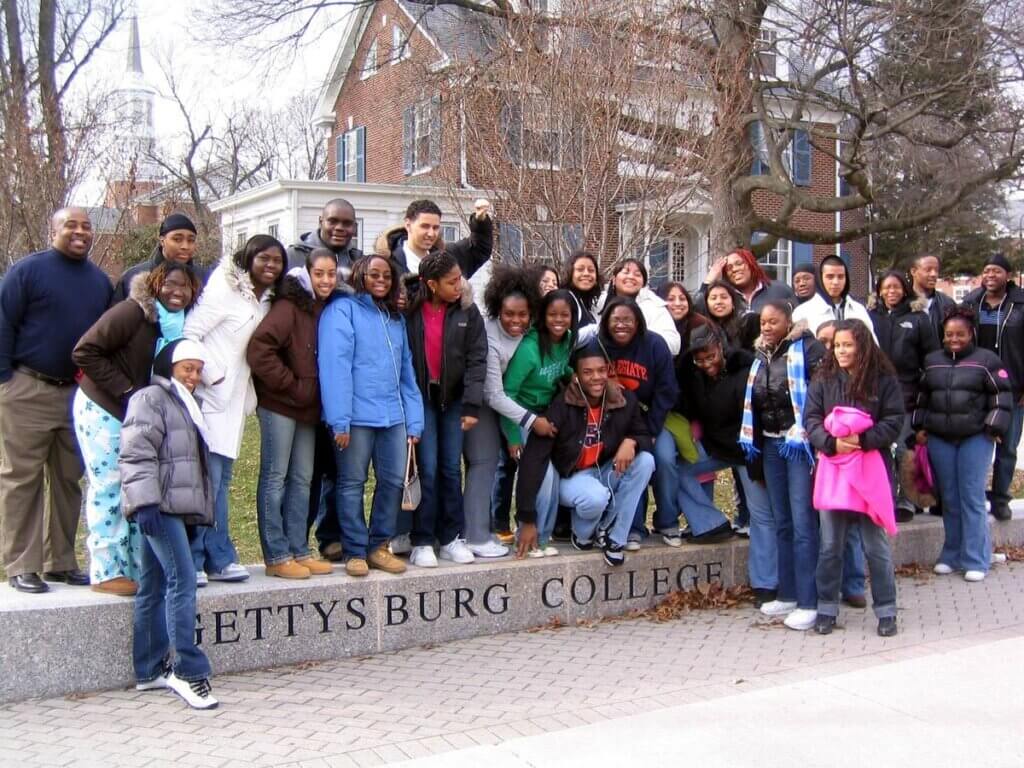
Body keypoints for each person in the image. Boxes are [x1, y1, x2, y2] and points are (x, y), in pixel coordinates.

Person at [0, 207, 112, 594]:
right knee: (21, 479)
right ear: (53, 230)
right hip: (27, 387)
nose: (80, 232)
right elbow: (3, 323)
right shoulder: (27, 272)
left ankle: (59, 562)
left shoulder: (99, 282)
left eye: (86, 226)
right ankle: (21, 564)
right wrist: (5, 381)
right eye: (71, 225)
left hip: (78, 394)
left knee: (69, 479)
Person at [72, 262, 201, 596]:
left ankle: (130, 568)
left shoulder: (172, 326)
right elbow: (84, 351)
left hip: (134, 414)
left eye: (184, 287)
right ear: (156, 284)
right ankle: (105, 571)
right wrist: (126, 390)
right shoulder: (132, 313)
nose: (177, 292)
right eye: (170, 284)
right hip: (103, 406)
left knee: (132, 489)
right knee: (109, 486)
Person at [120, 339, 218, 709]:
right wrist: (144, 502)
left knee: (155, 584)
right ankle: (189, 671)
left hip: (172, 507)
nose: (193, 376)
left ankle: (147, 669)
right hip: (157, 507)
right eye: (186, 368)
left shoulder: (187, 402)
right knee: (184, 579)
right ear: (169, 367)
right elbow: (136, 452)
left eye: (197, 369)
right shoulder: (150, 398)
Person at [184, 234, 285, 585]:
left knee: (222, 481)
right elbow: (190, 333)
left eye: (277, 261)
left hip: (236, 402)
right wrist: (213, 375)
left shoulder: (266, 298)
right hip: (211, 399)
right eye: (264, 259)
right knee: (208, 482)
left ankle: (216, 558)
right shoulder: (222, 289)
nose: (271, 266)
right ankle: (199, 559)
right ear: (248, 259)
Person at [319, 255, 424, 576]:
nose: (381, 280)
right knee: (352, 483)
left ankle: (379, 546)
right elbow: (335, 367)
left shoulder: (394, 317)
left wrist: (414, 419)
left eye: (387, 276)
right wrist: (339, 419)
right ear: (360, 275)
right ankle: (354, 550)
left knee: (392, 482)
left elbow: (407, 373)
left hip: (392, 416)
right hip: (355, 417)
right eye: (373, 274)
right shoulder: (342, 310)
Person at [516, 341, 655, 566]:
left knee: (646, 461)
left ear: (608, 372)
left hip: (604, 471)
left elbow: (644, 434)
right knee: (596, 497)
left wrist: (632, 441)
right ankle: (582, 536)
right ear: (576, 377)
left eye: (601, 371)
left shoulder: (623, 399)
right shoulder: (563, 404)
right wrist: (527, 518)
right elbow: (533, 458)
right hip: (572, 479)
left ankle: (615, 538)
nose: (596, 377)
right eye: (588, 372)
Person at [805, 320, 904, 637]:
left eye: (848, 344)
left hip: (869, 469)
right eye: (837, 345)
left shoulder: (883, 379)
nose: (842, 350)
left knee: (875, 546)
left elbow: (894, 420)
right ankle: (826, 608)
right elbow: (811, 418)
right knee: (830, 545)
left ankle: (887, 611)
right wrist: (831, 443)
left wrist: (862, 441)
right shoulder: (824, 377)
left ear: (862, 345)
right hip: (833, 470)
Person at [246, 250, 338, 579]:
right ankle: (277, 554)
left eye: (332, 274)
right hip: (280, 405)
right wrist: (293, 386)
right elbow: (260, 349)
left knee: (302, 478)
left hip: (309, 410)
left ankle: (299, 548)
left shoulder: (324, 307)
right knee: (275, 478)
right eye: (320, 274)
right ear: (307, 274)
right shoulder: (290, 306)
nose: (326, 280)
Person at [741, 300, 826, 630]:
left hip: (798, 444)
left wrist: (804, 427)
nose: (766, 327)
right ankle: (788, 593)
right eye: (763, 321)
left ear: (789, 322)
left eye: (773, 321)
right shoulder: (761, 355)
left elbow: (820, 393)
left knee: (804, 523)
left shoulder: (808, 348)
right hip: (771, 443)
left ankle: (810, 601)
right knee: (783, 522)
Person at [913, 308, 1012, 582]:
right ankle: (951, 553)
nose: (954, 339)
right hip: (940, 438)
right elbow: (923, 397)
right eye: (949, 335)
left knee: (971, 496)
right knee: (950, 498)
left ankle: (976, 558)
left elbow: (1002, 397)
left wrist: (994, 427)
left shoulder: (986, 361)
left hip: (975, 437)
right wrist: (919, 426)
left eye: (960, 334)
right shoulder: (932, 361)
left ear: (971, 334)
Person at [402, 251, 488, 567]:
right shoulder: (409, 308)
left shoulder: (467, 311)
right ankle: (422, 540)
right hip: (421, 398)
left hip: (453, 401)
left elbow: (478, 359)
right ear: (432, 285)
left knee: (451, 468)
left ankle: (451, 538)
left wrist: (471, 405)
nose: (459, 285)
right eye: (451, 282)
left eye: (459, 278)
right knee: (427, 468)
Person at [677, 326, 775, 602]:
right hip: (716, 448)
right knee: (675, 470)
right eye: (700, 359)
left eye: (710, 357)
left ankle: (766, 583)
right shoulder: (694, 375)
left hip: (748, 451)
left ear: (721, 347)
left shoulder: (746, 372)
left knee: (761, 515)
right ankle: (711, 523)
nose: (706, 364)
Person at [595, 297, 678, 550]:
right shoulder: (597, 345)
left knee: (663, 458)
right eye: (616, 320)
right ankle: (633, 526)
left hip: (650, 418)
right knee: (629, 464)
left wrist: (651, 431)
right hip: (613, 424)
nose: (622, 325)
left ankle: (667, 520)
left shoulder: (654, 344)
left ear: (638, 321)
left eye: (628, 320)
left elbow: (667, 391)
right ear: (607, 321)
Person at [501, 290, 576, 556]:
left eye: (564, 315)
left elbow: (560, 366)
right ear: (543, 316)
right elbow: (507, 393)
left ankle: (542, 540)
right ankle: (526, 535)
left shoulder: (566, 339)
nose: (558, 320)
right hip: (521, 415)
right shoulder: (530, 348)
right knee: (539, 477)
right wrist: (512, 436)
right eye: (552, 314)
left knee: (552, 476)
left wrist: (573, 375)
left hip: (546, 415)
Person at [473, 264, 542, 552]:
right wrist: (530, 420)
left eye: (522, 314)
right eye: (509, 314)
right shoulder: (490, 336)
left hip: (517, 403)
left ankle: (512, 521)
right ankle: (493, 524)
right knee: (497, 462)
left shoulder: (533, 333)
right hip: (489, 404)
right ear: (497, 310)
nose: (515, 320)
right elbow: (494, 395)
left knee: (517, 461)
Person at [867, 270, 940, 519]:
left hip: (907, 392)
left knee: (903, 449)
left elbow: (931, 357)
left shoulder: (918, 318)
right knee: (881, 449)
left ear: (905, 289)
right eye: (886, 287)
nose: (891, 292)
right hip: (875, 394)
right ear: (879, 290)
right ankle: (884, 495)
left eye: (896, 287)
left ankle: (907, 500)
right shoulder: (870, 317)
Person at [960, 253, 1024, 522]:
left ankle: (1000, 498)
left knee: (1007, 446)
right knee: (976, 444)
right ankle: (974, 495)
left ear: (1007, 275)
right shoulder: (971, 302)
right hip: (977, 386)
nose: (990, 276)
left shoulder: (1020, 304)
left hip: (1012, 387)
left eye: (996, 271)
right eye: (986, 271)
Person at [376, 198, 493, 278]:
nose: (431, 233)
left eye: (435, 227)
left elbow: (479, 249)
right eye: (425, 226)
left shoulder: (448, 257)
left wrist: (480, 222)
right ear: (408, 225)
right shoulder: (388, 262)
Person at [112, 213, 210, 302]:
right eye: (177, 239)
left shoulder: (205, 279)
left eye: (191, 240)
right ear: (162, 241)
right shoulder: (133, 277)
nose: (185, 246)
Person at [597, 258, 681, 355]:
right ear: (614, 280)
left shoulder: (654, 306)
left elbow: (674, 345)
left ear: (643, 283)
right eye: (626, 272)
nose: (631, 277)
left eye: (637, 274)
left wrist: (635, 336)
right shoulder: (599, 303)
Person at [793, 255, 875, 339]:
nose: (835, 282)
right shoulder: (802, 312)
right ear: (820, 278)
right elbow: (796, 349)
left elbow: (872, 346)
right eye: (830, 277)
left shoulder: (858, 310)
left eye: (840, 277)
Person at [286, 198, 364, 279]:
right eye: (333, 221)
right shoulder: (291, 256)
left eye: (347, 223)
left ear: (355, 227)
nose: (339, 228)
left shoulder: (360, 263)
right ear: (320, 222)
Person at [701, 247, 796, 314]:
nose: (734, 269)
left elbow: (799, 319)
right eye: (729, 268)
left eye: (739, 263)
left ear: (751, 265)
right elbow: (697, 311)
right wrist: (709, 280)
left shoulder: (780, 290)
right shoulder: (724, 297)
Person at [909, 254, 956, 342]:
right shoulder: (903, 302)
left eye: (936, 270)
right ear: (913, 271)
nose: (934, 274)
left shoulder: (948, 304)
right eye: (928, 270)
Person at [657, 281, 708, 357]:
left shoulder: (699, 324)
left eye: (682, 299)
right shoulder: (653, 324)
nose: (678, 303)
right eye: (671, 299)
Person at [705, 280, 759, 350]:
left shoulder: (749, 320)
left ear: (733, 302)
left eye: (724, 297)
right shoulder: (705, 328)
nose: (719, 302)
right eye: (713, 298)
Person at [563, 250, 603, 326]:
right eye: (580, 269)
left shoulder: (588, 304)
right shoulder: (566, 300)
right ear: (570, 273)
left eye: (591, 270)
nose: (586, 273)